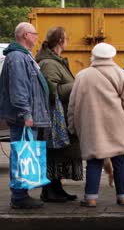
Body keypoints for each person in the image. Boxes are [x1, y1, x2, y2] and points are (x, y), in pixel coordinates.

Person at [68, 43, 124, 207]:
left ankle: (91, 197)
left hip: (92, 128)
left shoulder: (82, 76)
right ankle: (123, 196)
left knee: (94, 161)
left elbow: (72, 105)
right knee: (120, 160)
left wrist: (72, 126)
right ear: (111, 56)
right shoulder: (121, 75)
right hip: (118, 127)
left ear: (93, 56)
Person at [0, 22, 51, 209]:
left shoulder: (23, 56)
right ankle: (19, 196)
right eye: (34, 33)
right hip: (23, 119)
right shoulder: (17, 58)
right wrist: (26, 114)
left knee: (25, 155)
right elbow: (19, 89)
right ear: (24, 35)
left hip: (28, 117)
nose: (37, 37)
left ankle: (22, 193)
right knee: (22, 155)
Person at [36, 27, 83, 203]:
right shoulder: (49, 63)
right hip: (55, 120)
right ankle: (49, 191)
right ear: (61, 41)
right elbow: (51, 90)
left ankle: (57, 188)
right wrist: (75, 85)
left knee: (61, 155)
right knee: (54, 155)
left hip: (61, 116)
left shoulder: (56, 61)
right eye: (66, 38)